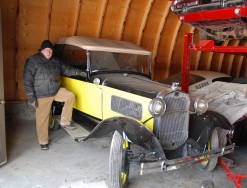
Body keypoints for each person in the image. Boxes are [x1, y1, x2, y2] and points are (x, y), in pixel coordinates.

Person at [23, 40, 85, 150]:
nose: (49, 52)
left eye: (51, 50)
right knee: (42, 119)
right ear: (42, 50)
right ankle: (43, 141)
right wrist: (31, 97)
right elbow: (27, 80)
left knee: (70, 96)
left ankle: (65, 122)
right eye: (47, 50)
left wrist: (79, 72)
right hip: (42, 94)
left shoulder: (56, 61)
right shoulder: (33, 60)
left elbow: (67, 69)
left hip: (56, 90)